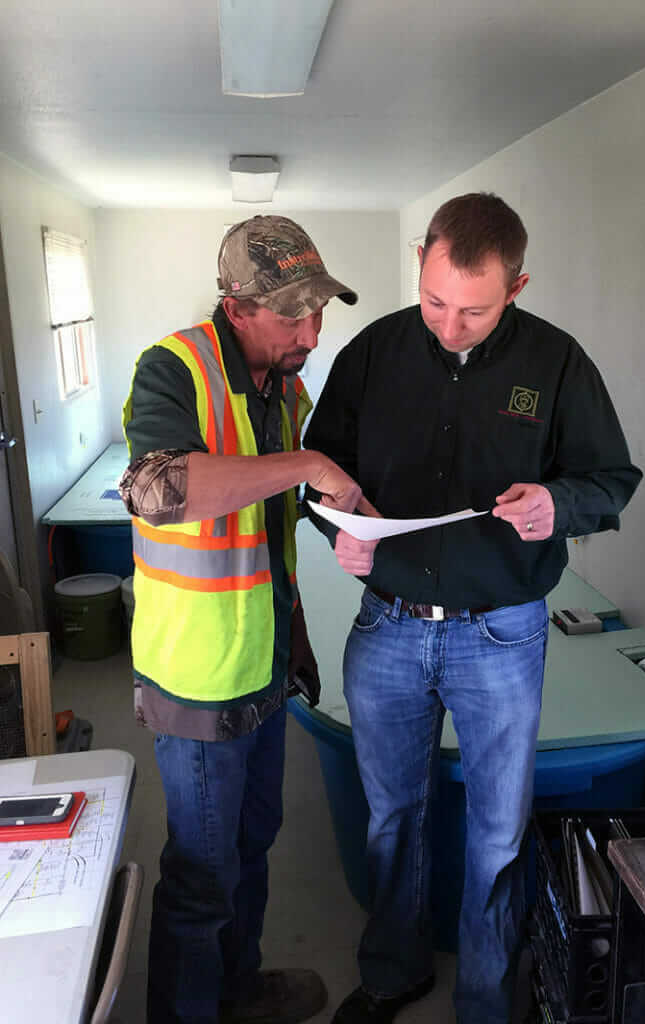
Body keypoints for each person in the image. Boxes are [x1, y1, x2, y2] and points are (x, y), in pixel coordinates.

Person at [303, 193, 642, 1024]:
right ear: (421, 261)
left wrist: (556, 505)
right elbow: (321, 471)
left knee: (497, 832)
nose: (448, 327)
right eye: (434, 301)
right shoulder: (375, 351)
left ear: (518, 286)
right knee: (391, 817)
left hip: (501, 633)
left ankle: (487, 1002)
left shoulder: (558, 365)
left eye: (475, 311)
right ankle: (393, 974)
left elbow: (611, 482)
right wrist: (338, 529)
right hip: (387, 624)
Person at [119, 215, 373, 1024]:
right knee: (200, 876)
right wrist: (303, 464)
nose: (313, 329)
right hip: (196, 680)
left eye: (319, 308)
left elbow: (270, 532)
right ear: (238, 307)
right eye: (293, 313)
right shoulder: (173, 368)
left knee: (254, 845)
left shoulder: (285, 389)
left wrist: (294, 631)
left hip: (262, 663)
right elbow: (160, 494)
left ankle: (238, 989)